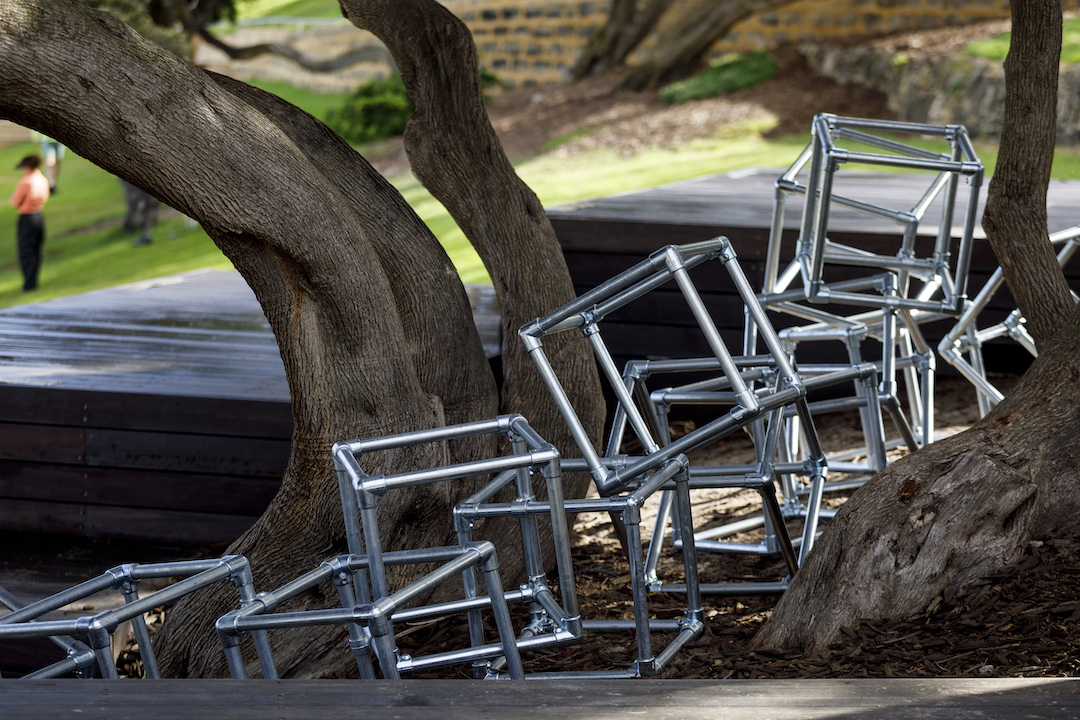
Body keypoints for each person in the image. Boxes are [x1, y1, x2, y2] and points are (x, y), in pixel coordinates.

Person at [9, 155, 50, 292]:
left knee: (26, 251)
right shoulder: (42, 179)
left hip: (27, 218)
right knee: (36, 250)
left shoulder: (26, 182)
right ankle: (33, 282)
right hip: (39, 216)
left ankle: (29, 285)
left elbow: (15, 202)